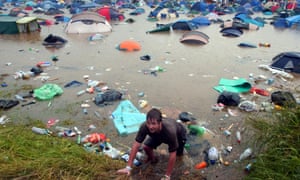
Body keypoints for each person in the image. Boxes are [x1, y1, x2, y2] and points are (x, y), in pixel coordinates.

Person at [117, 108, 187, 180]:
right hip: (157, 134)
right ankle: (153, 159)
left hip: (179, 134)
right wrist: (128, 168)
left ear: (160, 123)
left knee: (178, 155)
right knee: (146, 147)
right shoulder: (144, 127)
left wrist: (167, 176)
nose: (150, 126)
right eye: (148, 123)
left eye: (153, 123)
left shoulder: (170, 132)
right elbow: (136, 145)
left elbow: (172, 154)